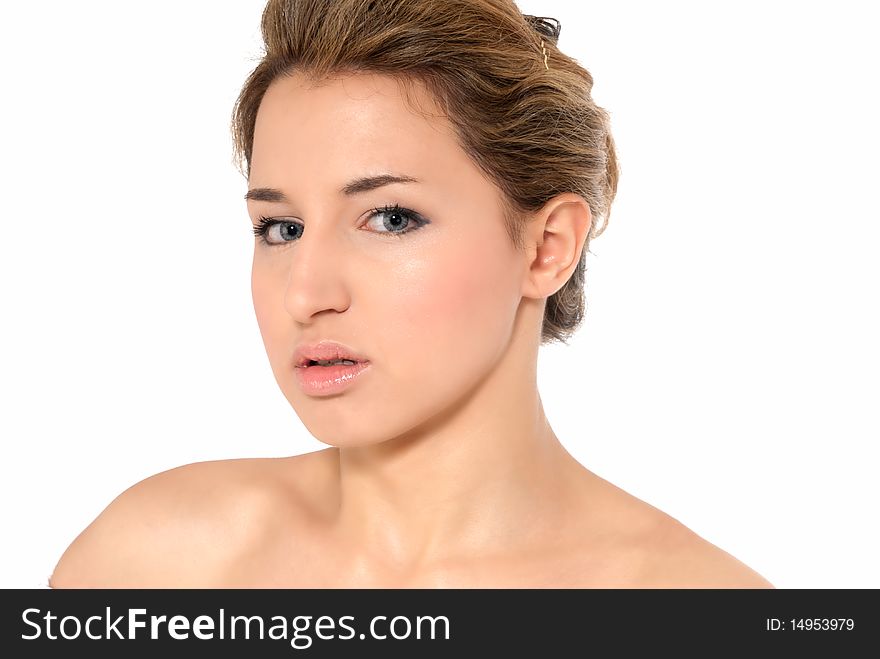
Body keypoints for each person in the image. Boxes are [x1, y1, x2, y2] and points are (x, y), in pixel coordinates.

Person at [49, 0, 773, 588]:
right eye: (280, 227)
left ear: (548, 246)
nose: (307, 292)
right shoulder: (152, 568)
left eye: (391, 218)